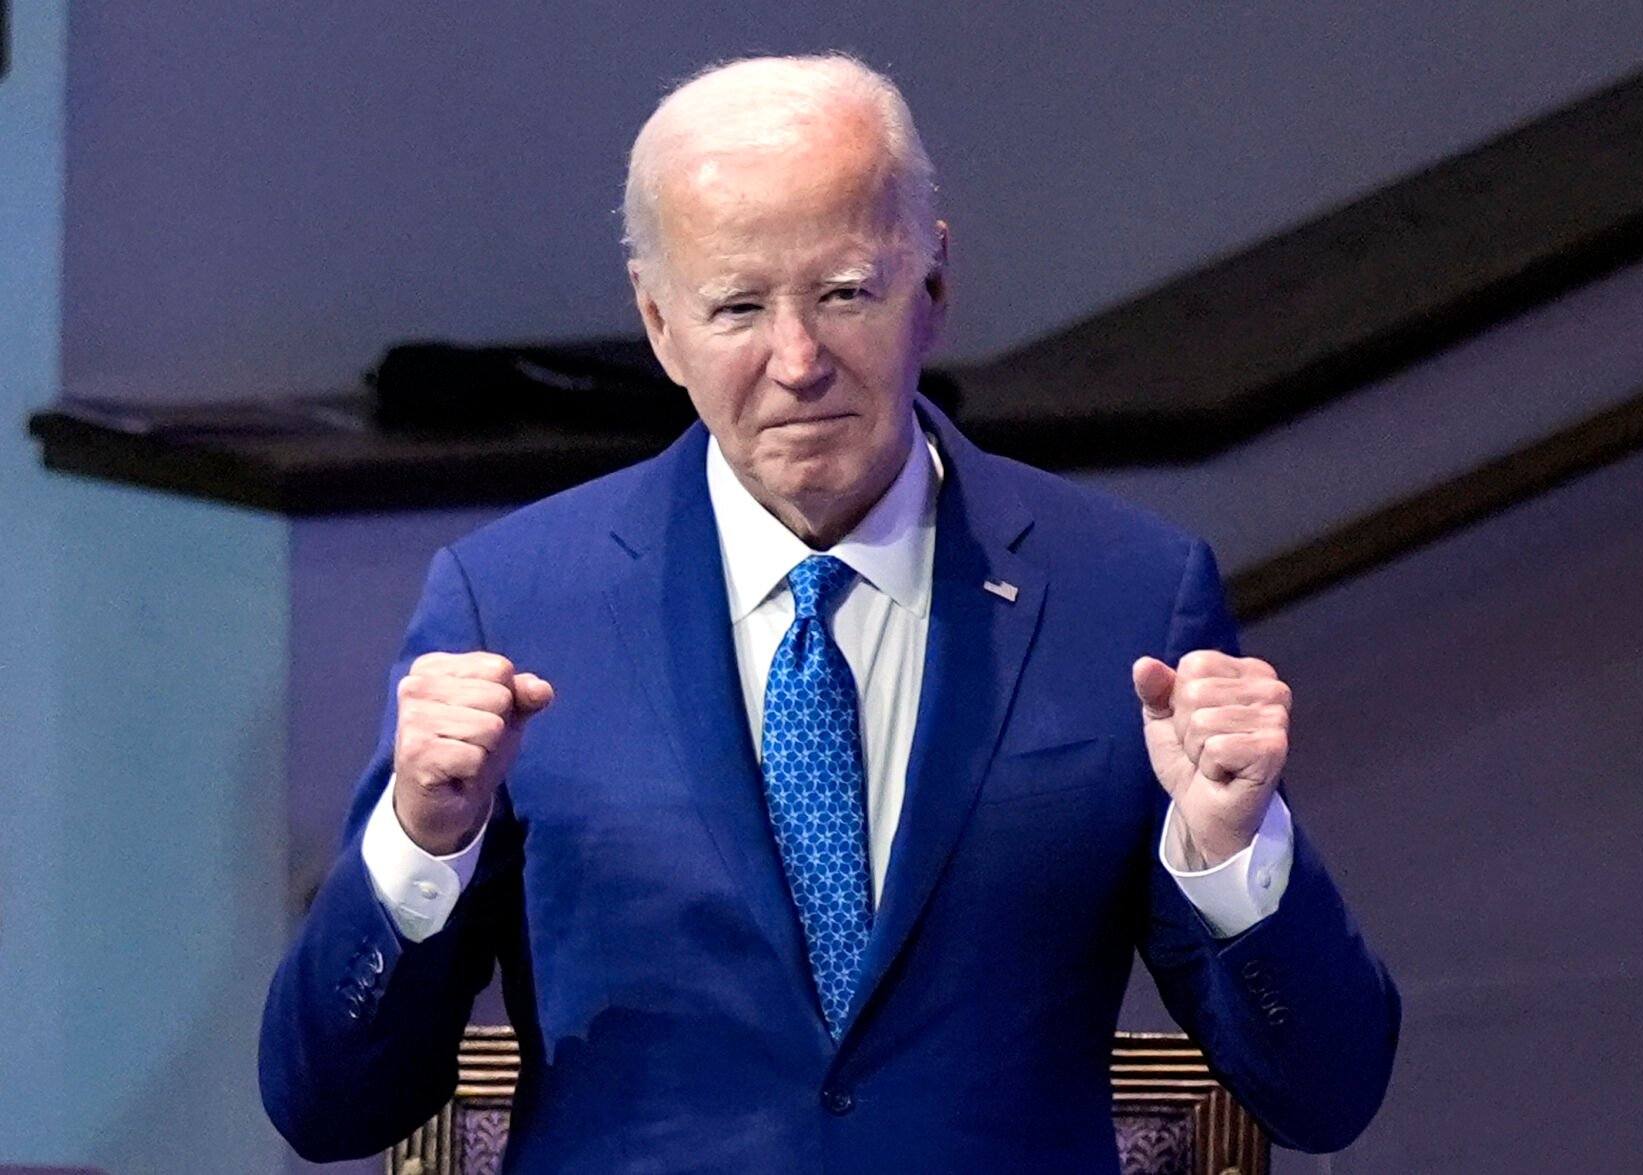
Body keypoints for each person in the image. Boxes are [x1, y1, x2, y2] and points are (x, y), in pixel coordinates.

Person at [260, 53, 1398, 1172]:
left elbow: (1326, 1093)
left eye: (844, 292)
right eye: (737, 306)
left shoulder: (1126, 595)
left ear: (933, 284)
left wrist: (1231, 854)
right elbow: (327, 1107)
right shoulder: (510, 599)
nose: (797, 360)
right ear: (659, 325)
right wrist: (419, 842)